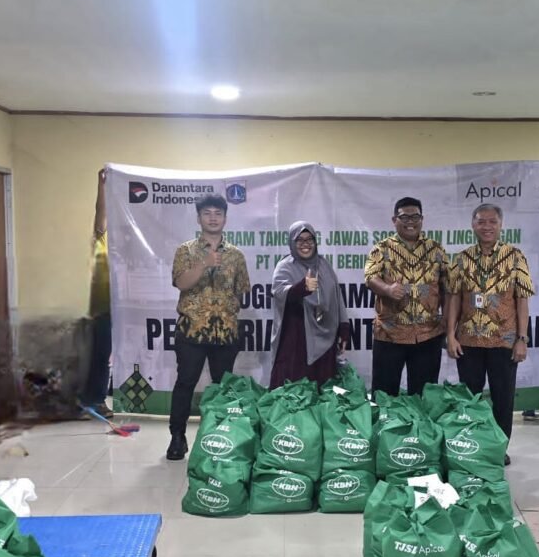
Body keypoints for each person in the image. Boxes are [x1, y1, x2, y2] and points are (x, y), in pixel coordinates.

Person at [446, 203, 535, 463]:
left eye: (492, 222)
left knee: (503, 399)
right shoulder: (460, 259)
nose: (487, 227)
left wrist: (522, 339)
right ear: (473, 225)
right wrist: (450, 335)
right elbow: (453, 299)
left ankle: (498, 449)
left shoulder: (516, 257)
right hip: (469, 342)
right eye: (481, 222)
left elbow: (522, 300)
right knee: (470, 399)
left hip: (504, 341)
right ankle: (471, 445)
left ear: (500, 225)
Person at [166, 194, 250, 460]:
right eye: (207, 213)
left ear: (225, 218)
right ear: (199, 217)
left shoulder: (236, 255)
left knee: (222, 388)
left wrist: (227, 310)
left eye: (218, 213)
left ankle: (221, 437)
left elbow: (241, 291)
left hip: (225, 332)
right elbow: (181, 283)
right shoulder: (186, 250)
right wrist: (204, 264)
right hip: (191, 331)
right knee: (185, 384)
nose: (213, 218)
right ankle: (177, 438)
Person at [364, 197, 448, 396]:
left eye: (415, 216)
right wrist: (387, 289)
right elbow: (370, 277)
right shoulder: (381, 249)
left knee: (423, 396)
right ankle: (385, 427)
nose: (410, 221)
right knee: (384, 394)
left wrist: (446, 319)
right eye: (404, 217)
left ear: (422, 218)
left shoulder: (435, 250)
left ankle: (421, 428)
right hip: (389, 333)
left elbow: (448, 286)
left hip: (428, 334)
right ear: (395, 220)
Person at [269, 221, 351, 389]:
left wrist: (344, 327)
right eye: (299, 240)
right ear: (292, 242)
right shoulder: (285, 266)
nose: (305, 244)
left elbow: (337, 296)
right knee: (296, 390)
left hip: (325, 337)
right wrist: (301, 288)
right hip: (296, 339)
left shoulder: (324, 265)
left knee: (322, 388)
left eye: (309, 239)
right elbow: (279, 292)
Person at [80, 168, 113, 417]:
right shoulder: (104, 240)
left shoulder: (132, 245)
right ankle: (94, 400)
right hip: (104, 307)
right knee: (102, 354)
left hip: (133, 308)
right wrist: (101, 186)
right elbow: (99, 216)